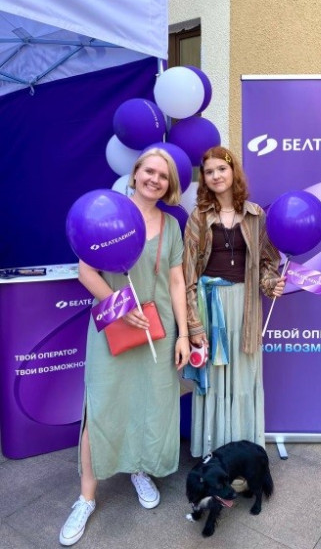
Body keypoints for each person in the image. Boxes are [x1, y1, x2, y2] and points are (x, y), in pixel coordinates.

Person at [59, 148, 190, 546]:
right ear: (135, 174)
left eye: (163, 176)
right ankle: (86, 498)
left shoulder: (172, 225)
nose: (155, 179)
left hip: (158, 330)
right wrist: (120, 307)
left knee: (150, 403)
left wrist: (184, 334)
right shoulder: (108, 213)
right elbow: (86, 271)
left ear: (169, 185)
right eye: (149, 171)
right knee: (100, 408)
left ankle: (139, 469)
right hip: (113, 327)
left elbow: (177, 282)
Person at [183, 146, 285, 459]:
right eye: (209, 172)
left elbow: (268, 261)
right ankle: (212, 452)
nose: (216, 176)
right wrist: (193, 324)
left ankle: (244, 454)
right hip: (209, 306)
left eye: (221, 169)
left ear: (233, 171)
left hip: (245, 306)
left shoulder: (256, 215)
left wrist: (271, 283)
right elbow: (187, 273)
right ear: (204, 178)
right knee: (214, 381)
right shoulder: (199, 218)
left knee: (243, 379)